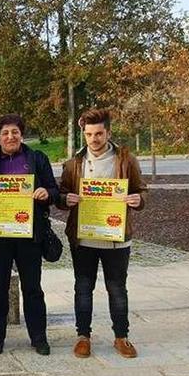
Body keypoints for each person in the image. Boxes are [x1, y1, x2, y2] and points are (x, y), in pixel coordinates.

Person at [57, 108, 148, 359]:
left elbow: (143, 190)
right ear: (83, 135)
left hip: (116, 238)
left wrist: (137, 199)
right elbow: (61, 194)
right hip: (84, 237)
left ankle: (121, 337)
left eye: (98, 133)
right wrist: (67, 199)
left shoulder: (126, 159)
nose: (94, 139)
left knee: (117, 288)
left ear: (108, 132)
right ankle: (83, 336)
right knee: (83, 287)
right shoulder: (75, 162)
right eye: (89, 134)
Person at [0, 114, 59, 355]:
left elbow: (54, 190)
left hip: (29, 235)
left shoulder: (37, 159)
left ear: (22, 134)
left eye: (15, 132)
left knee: (33, 288)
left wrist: (44, 192)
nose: (10, 137)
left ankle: (38, 337)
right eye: (5, 133)